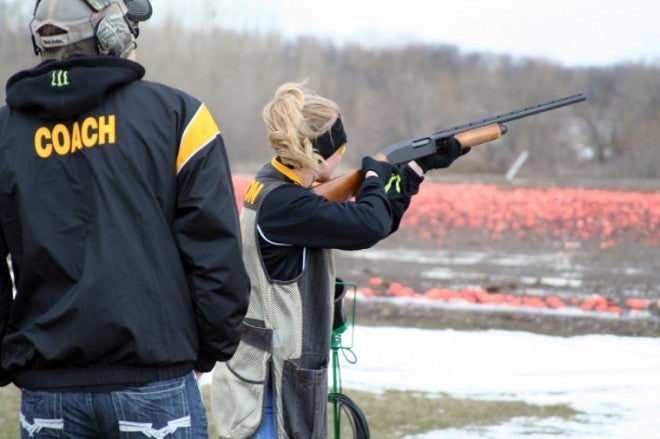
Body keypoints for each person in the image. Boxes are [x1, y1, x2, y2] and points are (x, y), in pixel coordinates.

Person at [0, 0, 250, 437]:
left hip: (47, 389)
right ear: (112, 34)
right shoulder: (180, 117)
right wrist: (208, 348)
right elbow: (215, 255)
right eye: (129, 25)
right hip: (155, 379)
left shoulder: (5, 133)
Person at [210, 82, 469, 438]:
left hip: (272, 376)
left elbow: (371, 222)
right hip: (270, 392)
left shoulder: (276, 186)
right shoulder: (286, 204)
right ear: (320, 153)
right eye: (341, 148)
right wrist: (375, 175)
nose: (344, 156)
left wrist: (413, 172)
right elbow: (367, 226)